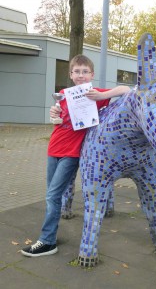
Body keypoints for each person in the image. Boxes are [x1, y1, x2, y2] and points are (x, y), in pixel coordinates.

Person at [21, 54, 130, 257]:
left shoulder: (94, 93)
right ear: (71, 74)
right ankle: (50, 235)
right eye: (77, 71)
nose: (81, 75)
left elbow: (127, 90)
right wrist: (54, 114)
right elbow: (59, 119)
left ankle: (47, 241)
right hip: (53, 148)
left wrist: (102, 96)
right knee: (52, 195)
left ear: (92, 74)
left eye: (85, 71)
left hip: (72, 153)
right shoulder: (64, 93)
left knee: (53, 196)